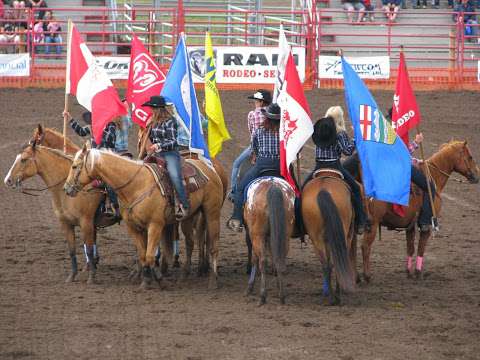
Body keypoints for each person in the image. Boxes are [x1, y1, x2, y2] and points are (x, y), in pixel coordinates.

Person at [305, 106, 368, 235]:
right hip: (335, 167)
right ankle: (360, 222)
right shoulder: (340, 133)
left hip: (318, 167)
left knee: (302, 190)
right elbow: (348, 151)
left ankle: (301, 223)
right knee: (356, 190)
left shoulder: (319, 130)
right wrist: (356, 138)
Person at [227, 103, 282, 232]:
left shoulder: (259, 131)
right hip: (280, 167)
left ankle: (237, 218)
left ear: (267, 118)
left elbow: (255, 148)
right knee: (296, 189)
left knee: (240, 188)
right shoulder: (284, 133)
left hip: (262, 165)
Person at [387, 108, 436, 232]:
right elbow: (401, 153)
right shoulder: (398, 130)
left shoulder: (386, 127)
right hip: (401, 167)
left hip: (388, 165)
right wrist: (416, 142)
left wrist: (415, 160)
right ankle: (424, 221)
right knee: (430, 186)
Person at [143, 95, 190, 220]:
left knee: (174, 176)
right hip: (156, 154)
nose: (151, 110)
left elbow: (174, 141)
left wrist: (158, 145)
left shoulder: (170, 121)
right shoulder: (153, 121)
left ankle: (183, 204)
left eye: (152, 108)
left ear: (158, 109)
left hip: (170, 153)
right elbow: (152, 138)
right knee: (141, 169)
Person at [228, 89, 271, 202]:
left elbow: (251, 132)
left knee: (237, 164)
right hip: (271, 148)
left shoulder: (252, 114)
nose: (255, 102)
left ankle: (233, 191)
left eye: (256, 100)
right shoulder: (274, 114)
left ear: (261, 102)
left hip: (255, 146)